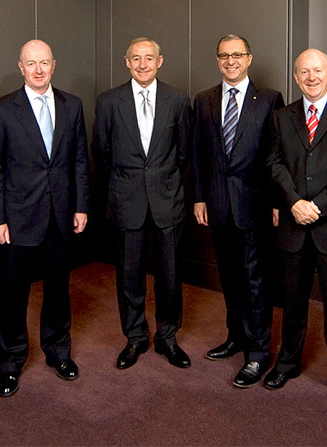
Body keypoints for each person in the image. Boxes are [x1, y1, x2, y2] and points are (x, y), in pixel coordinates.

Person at [0, 39, 90, 397]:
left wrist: (81, 206)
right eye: (31, 63)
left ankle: (58, 353)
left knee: (59, 292)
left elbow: (78, 162)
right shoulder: (1, 110)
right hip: (16, 220)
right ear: (21, 67)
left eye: (44, 62)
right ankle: (10, 364)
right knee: (13, 297)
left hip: (60, 217)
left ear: (54, 65)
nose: (39, 69)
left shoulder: (72, 106)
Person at [264, 49, 327, 407]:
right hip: (293, 226)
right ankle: (287, 362)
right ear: (295, 77)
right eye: (304, 72)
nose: (311, 77)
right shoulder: (281, 116)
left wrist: (317, 207)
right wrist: (293, 202)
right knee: (292, 303)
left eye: (318, 70)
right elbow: (274, 164)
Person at [92, 37, 192, 370]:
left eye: (149, 58)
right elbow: (101, 153)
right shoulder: (109, 102)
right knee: (129, 274)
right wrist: (124, 184)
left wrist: (162, 181)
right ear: (127, 62)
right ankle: (135, 337)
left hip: (167, 199)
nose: (143, 64)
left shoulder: (178, 100)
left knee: (170, 273)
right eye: (136, 58)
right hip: (126, 198)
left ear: (160, 61)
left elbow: (183, 152)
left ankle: (167, 337)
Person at [191, 34, 284, 387]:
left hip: (254, 205)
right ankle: (236, 337)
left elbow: (277, 156)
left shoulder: (271, 99)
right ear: (218, 60)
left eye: (237, 55)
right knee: (229, 277)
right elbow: (199, 154)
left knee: (256, 280)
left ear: (249, 58)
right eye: (224, 56)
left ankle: (258, 353)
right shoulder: (204, 100)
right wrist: (199, 197)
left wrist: (278, 202)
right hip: (217, 203)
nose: (231, 61)